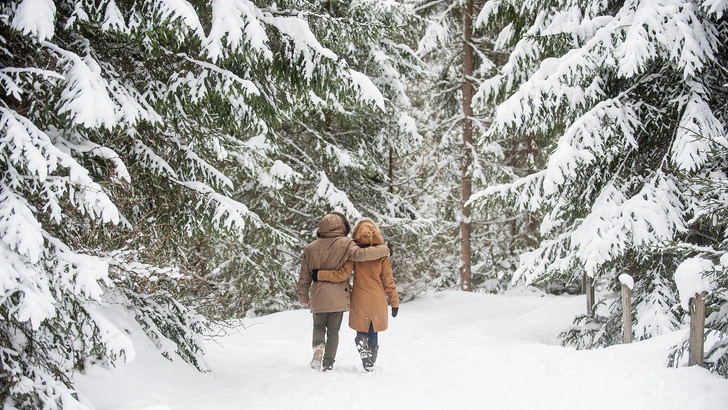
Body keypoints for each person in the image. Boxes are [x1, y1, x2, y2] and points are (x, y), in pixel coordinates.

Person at [297, 212, 389, 371]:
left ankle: (318, 347)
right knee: (333, 331)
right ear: (342, 226)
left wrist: (303, 296)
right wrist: (384, 249)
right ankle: (328, 363)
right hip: (338, 295)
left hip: (318, 295)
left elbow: (304, 277)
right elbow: (361, 254)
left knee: (318, 327)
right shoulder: (346, 243)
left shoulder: (310, 248)